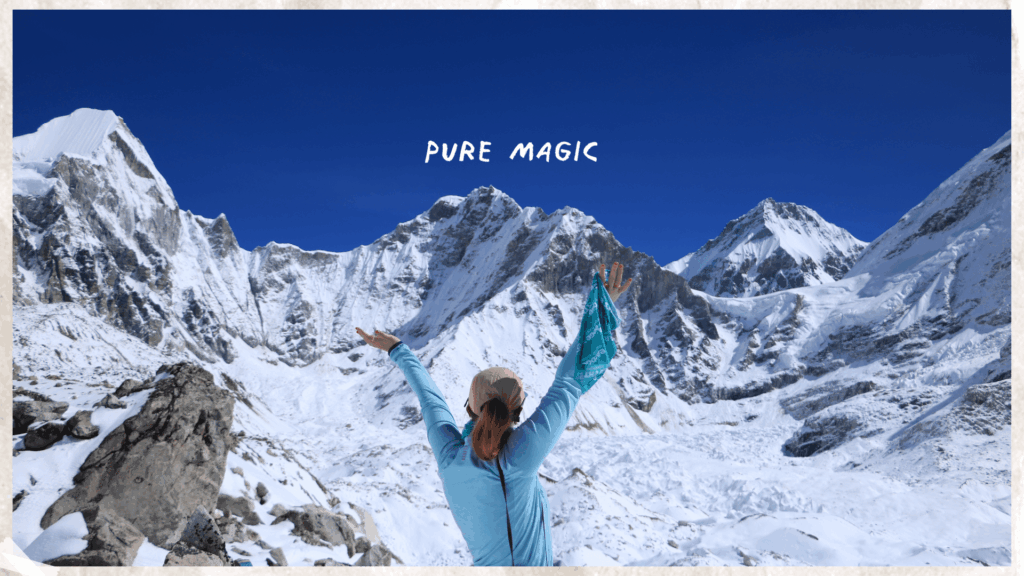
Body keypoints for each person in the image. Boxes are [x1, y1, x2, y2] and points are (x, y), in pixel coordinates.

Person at [356, 262, 633, 566]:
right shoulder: (520, 455)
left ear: (470, 407)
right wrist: (602, 307)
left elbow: (429, 399)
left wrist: (398, 349)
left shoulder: (450, 455)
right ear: (517, 411)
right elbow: (569, 380)